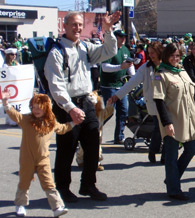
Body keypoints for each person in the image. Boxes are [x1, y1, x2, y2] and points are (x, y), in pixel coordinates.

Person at [44, 11, 121, 202]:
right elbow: (56, 86)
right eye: (73, 25)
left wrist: (108, 30)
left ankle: (88, 185)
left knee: (93, 145)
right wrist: (70, 108)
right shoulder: (57, 52)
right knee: (66, 149)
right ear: (65, 26)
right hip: (67, 107)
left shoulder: (85, 47)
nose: (77, 28)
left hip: (87, 102)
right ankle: (62, 189)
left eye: (80, 25)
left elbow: (109, 51)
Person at [1, 93, 73, 217]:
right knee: (24, 182)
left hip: (43, 159)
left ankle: (57, 207)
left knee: (49, 183)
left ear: (46, 107)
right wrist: (6, 103)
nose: (36, 110)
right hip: (27, 159)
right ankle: (20, 204)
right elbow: (14, 115)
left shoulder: (51, 123)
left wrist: (73, 123)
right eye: (33, 107)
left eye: (39, 107)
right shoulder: (27, 120)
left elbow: (62, 128)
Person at [153, 43, 195, 201]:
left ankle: (172, 178)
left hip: (188, 119)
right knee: (172, 156)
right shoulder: (160, 74)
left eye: (177, 56)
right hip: (172, 120)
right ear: (166, 56)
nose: (175, 59)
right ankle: (174, 190)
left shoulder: (182, 71)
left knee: (191, 149)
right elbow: (159, 101)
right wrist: (167, 123)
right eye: (172, 56)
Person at [111, 41, 165, 163]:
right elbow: (132, 83)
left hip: (168, 103)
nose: (151, 55)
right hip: (154, 103)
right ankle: (153, 150)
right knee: (158, 128)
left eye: (153, 53)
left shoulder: (167, 65)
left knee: (166, 130)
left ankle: (165, 155)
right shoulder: (145, 68)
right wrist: (117, 96)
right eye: (149, 53)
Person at [100, 29, 135, 144]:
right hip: (108, 85)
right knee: (109, 112)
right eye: (120, 37)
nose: (123, 39)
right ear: (115, 38)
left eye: (124, 37)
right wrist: (120, 67)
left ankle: (119, 136)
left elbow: (129, 66)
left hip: (121, 85)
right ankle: (94, 130)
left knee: (123, 111)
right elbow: (104, 67)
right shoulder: (109, 49)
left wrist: (135, 78)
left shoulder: (125, 49)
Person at [3, 48, 20, 126]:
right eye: (12, 54)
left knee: (16, 102)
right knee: (9, 103)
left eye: (15, 54)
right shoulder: (5, 65)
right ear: (8, 56)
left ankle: (14, 118)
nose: (14, 56)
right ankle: (10, 119)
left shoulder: (17, 64)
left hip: (16, 85)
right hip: (9, 86)